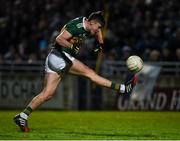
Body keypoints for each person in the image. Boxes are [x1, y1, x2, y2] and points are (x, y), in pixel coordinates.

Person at [13, 11, 138, 132]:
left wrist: (100, 43)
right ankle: (123, 88)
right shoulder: (77, 27)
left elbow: (98, 31)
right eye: (98, 27)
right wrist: (72, 47)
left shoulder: (89, 26)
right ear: (91, 23)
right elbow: (59, 39)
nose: (98, 30)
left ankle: (22, 116)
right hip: (61, 57)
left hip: (53, 57)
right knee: (90, 74)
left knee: (47, 94)